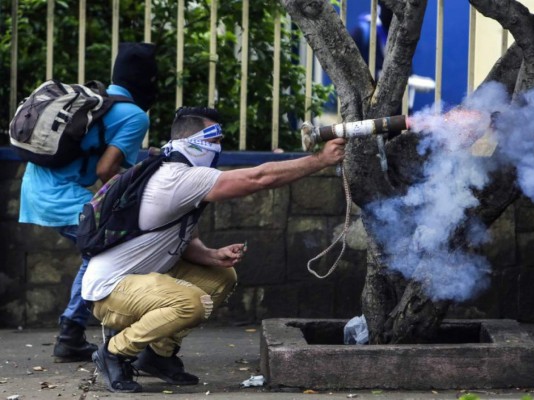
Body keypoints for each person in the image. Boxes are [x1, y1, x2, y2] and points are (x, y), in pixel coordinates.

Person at [81, 106, 346, 393]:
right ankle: (114, 352)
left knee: (221, 277)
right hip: (110, 290)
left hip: (140, 278)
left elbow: (182, 241)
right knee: (191, 303)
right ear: (192, 142)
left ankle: (159, 356)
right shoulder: (177, 177)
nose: (219, 147)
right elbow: (258, 178)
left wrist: (210, 255)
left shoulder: (177, 172)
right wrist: (319, 160)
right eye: (214, 140)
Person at [18, 42, 158, 362]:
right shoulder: (134, 115)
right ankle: (71, 333)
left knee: (100, 250)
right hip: (62, 196)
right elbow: (106, 169)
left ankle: (75, 332)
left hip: (36, 188)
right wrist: (135, 193)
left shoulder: (100, 100)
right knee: (105, 249)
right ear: (147, 80)